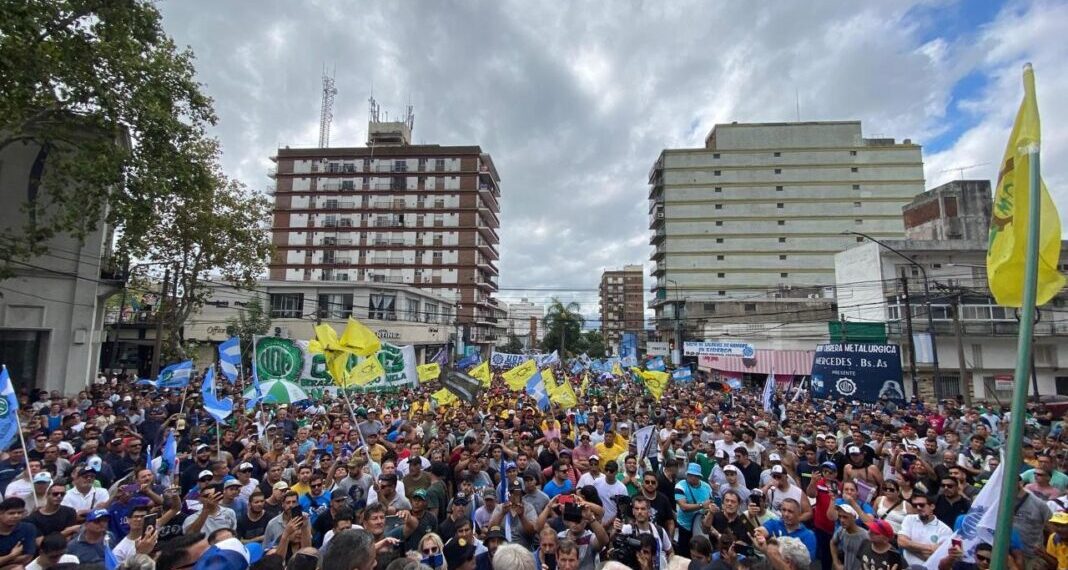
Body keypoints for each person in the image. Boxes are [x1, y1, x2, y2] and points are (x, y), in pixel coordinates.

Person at [897, 494, 952, 567]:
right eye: (915, 505)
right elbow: (901, 542)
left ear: (932, 506)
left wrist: (909, 547)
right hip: (905, 565)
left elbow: (940, 558)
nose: (918, 508)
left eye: (921, 505)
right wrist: (930, 548)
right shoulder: (909, 519)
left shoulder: (944, 529)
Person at [674, 462, 713, 558]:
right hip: (685, 525)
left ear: (699, 477)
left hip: (700, 525)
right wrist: (701, 505)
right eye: (690, 475)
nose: (692, 477)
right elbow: (683, 507)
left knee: (700, 552)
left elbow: (711, 502)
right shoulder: (680, 486)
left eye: (695, 476)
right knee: (684, 553)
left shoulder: (707, 487)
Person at [0, 497, 38, 567]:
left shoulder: (28, 528)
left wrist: (3, 561)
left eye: (20, 512)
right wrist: (12, 556)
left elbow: (28, 557)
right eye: (11, 513)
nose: (16, 516)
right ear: (1, 514)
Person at [829, 503, 868, 570]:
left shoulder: (865, 536)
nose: (841, 520)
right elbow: (832, 543)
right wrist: (836, 562)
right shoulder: (841, 530)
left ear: (854, 517)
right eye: (840, 516)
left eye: (845, 517)